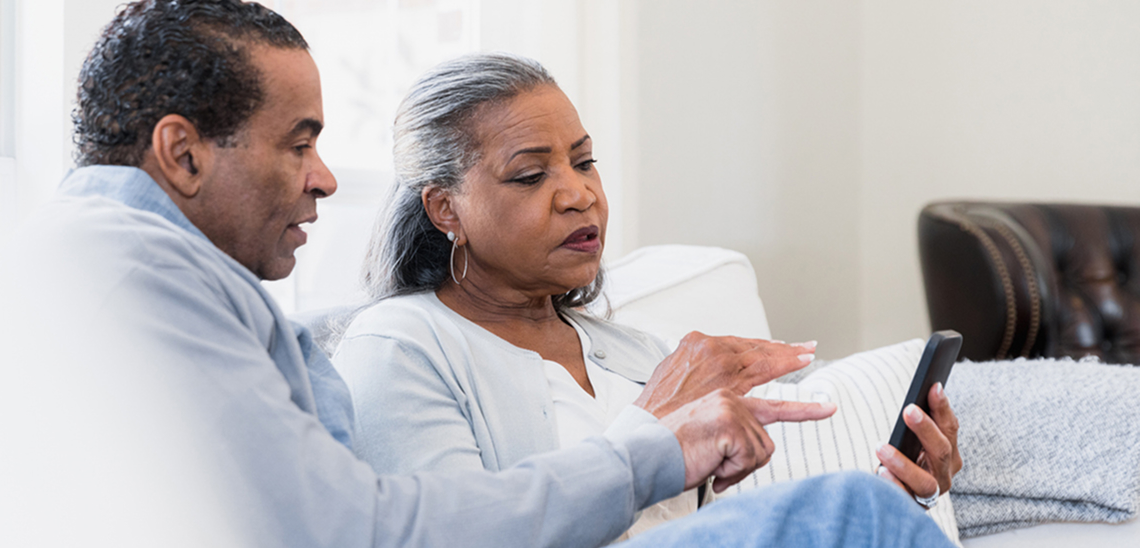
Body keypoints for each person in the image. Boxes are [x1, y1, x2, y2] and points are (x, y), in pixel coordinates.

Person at [22, 1, 957, 546]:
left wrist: (892, 493)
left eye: (584, 162)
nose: (325, 177)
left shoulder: (628, 341)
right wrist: (655, 443)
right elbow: (377, 529)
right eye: (299, 142)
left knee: (856, 507)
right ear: (181, 154)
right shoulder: (135, 273)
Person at [333, 52, 963, 540]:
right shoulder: (398, 347)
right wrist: (654, 425)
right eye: (531, 175)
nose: (579, 194)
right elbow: (452, 536)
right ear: (446, 208)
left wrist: (898, 505)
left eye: (584, 162)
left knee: (864, 507)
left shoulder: (637, 353)